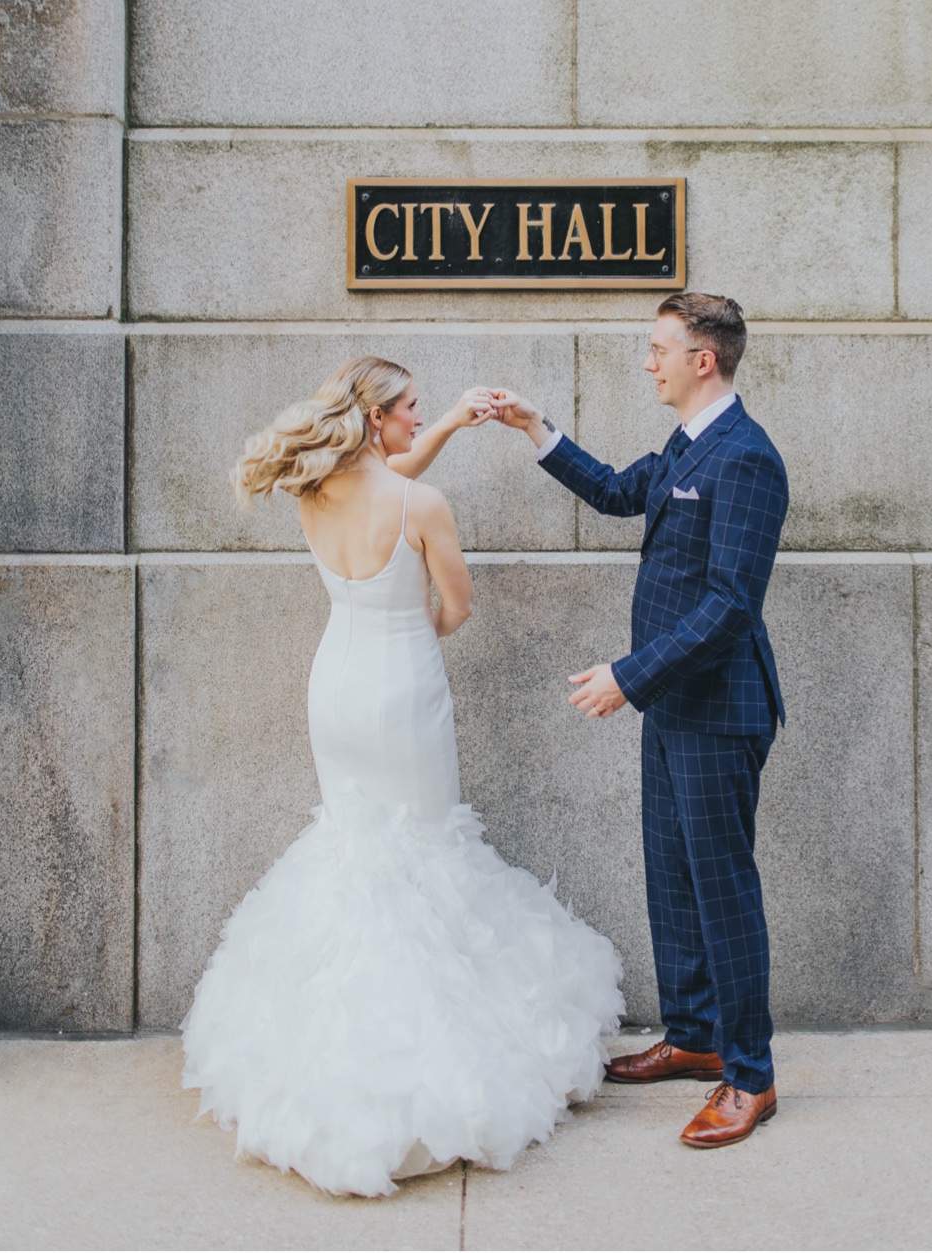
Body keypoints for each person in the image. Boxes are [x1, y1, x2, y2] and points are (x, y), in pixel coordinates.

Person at [183, 356, 625, 1197]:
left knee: (357, 849)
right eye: (414, 410)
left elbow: (387, 480)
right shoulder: (422, 504)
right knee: (426, 851)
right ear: (376, 418)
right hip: (402, 690)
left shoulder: (316, 490)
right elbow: (455, 608)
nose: (420, 420)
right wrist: (414, 622)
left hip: (335, 688)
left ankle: (321, 1057)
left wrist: (455, 423)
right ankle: (436, 1057)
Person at [489, 292, 790, 1149]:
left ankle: (751, 1077)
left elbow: (732, 605)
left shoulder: (747, 459)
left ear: (705, 359)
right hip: (671, 705)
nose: (646, 361)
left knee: (723, 892)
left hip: (718, 713)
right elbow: (621, 492)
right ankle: (694, 1033)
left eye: (659, 348)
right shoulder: (685, 444)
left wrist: (628, 675)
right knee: (673, 876)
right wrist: (535, 426)